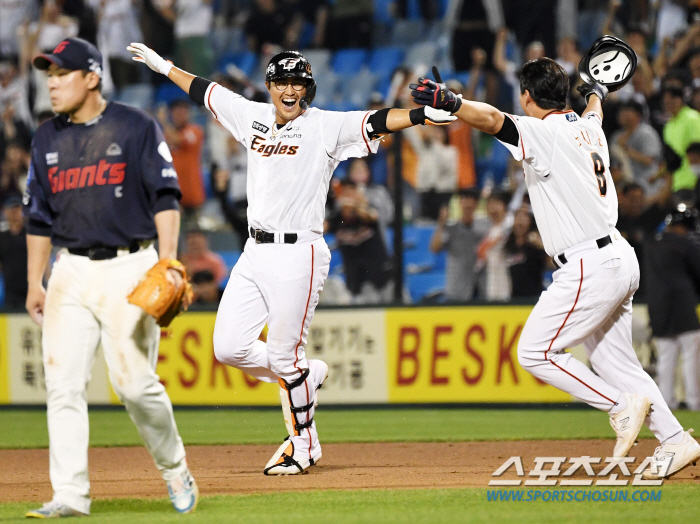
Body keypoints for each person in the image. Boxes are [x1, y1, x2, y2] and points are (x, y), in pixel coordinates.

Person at [128, 42, 455, 474]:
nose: (288, 89)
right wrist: (164, 66)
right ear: (269, 86)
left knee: (284, 357)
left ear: (308, 89)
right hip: (254, 251)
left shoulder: (324, 126)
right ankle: (305, 375)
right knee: (228, 347)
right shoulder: (253, 116)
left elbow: (375, 121)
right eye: (281, 81)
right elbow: (206, 91)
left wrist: (419, 115)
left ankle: (304, 444)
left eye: (296, 82)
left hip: (298, 251)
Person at [410, 55, 700, 479]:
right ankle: (675, 441)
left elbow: (492, 119)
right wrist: (597, 92)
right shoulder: (589, 127)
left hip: (588, 264)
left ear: (527, 97)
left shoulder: (542, 132)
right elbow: (594, 109)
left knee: (534, 351)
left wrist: (451, 102)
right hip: (618, 255)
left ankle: (620, 407)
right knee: (617, 364)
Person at [23, 38, 197, 517]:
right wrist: (35, 281)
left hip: (130, 265)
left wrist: (167, 261)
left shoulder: (134, 125)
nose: (52, 84)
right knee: (63, 386)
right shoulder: (45, 138)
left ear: (92, 77)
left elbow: (165, 195)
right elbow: (37, 218)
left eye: (62, 74)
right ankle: (70, 496)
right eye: (49, 75)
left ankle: (174, 465)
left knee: (135, 385)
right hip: (70, 270)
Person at [645, 205, 700, 411]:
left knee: (666, 359)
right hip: (683, 305)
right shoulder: (683, 243)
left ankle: (666, 403)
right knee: (691, 356)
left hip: (657, 306)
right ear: (682, 226)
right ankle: (695, 403)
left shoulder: (650, 243)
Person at [326, 179, 393, 304]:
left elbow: (371, 216)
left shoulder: (366, 211)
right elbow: (321, 228)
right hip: (359, 282)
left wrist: (355, 204)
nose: (348, 196)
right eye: (345, 193)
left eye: (352, 192)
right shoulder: (337, 218)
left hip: (383, 276)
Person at [429, 187, 485, 302]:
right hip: (457, 289)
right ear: (460, 203)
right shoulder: (451, 229)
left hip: (480, 288)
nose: (468, 204)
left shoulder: (484, 228)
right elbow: (434, 248)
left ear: (476, 204)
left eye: (472, 200)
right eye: (464, 200)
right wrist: (441, 223)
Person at [157, 99, 205, 224]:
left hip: (192, 195)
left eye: (184, 112)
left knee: (194, 236)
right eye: (177, 112)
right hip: (173, 195)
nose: (181, 115)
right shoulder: (165, 135)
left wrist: (163, 121)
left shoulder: (195, 131)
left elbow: (177, 140)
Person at [503, 206, 547, 298]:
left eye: (524, 217)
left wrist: (541, 246)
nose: (520, 222)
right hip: (511, 298)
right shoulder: (508, 245)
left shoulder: (535, 244)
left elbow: (550, 264)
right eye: (517, 217)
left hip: (532, 298)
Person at [0, 196, 27, 308]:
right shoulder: (2, 236)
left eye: (18, 209)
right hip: (9, 289)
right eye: (12, 210)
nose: (15, 213)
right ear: (5, 212)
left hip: (29, 287)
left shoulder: (30, 234)